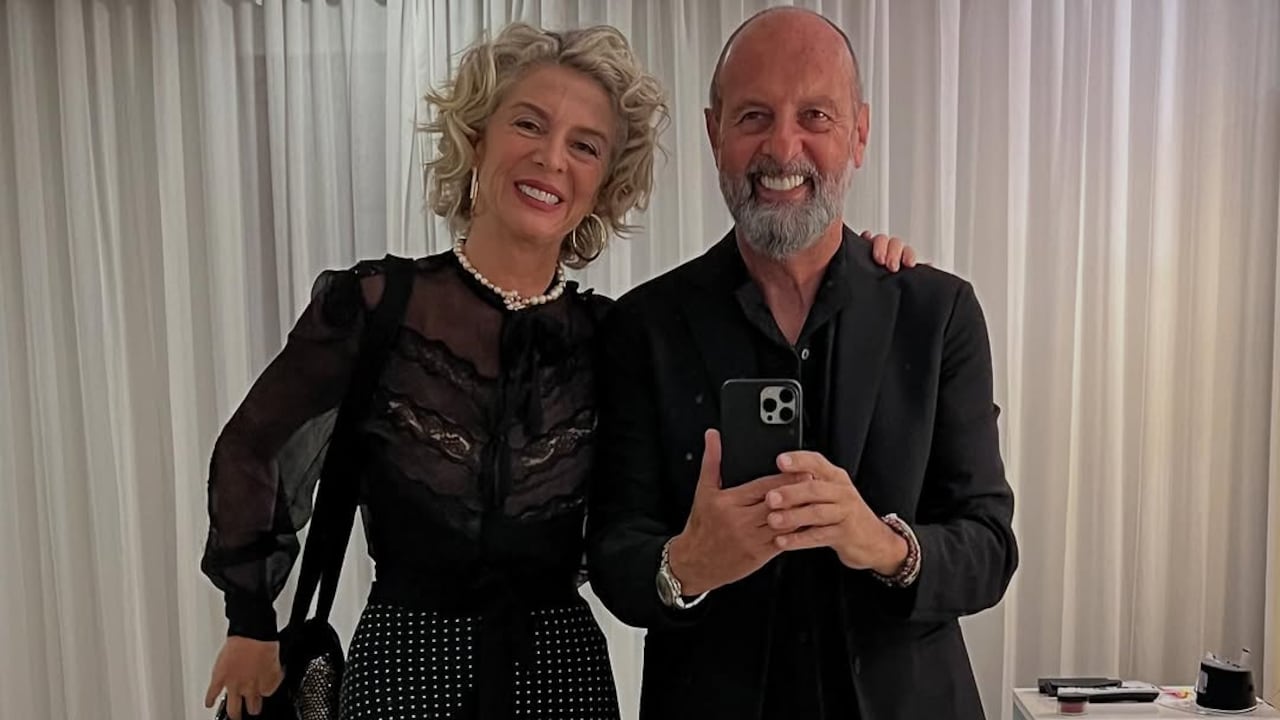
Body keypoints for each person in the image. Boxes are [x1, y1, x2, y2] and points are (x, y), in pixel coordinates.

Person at [199, 20, 917, 720]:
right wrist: (250, 619)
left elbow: (637, 516)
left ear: (604, 181)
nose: (551, 159)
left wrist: (865, 265)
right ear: (476, 136)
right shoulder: (377, 307)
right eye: (528, 125)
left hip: (561, 677)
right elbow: (254, 447)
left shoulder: (615, 334)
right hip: (404, 672)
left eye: (585, 145)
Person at [586, 7, 1018, 720]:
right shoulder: (645, 327)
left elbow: (990, 546)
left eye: (815, 115)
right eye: (753, 116)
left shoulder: (936, 314)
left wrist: (881, 543)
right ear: (714, 133)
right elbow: (611, 549)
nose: (783, 147)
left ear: (859, 133)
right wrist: (686, 564)